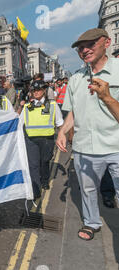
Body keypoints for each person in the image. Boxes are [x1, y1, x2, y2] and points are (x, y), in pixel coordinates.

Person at [56, 28, 119, 241]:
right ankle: (92, 222)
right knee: (88, 191)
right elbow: (73, 110)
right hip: (85, 148)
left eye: (91, 44)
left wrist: (108, 97)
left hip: (115, 146)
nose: (84, 50)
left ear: (107, 42)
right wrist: (63, 131)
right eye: (80, 47)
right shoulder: (76, 79)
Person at [22, 80, 64, 200]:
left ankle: (45, 180)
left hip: (47, 139)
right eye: (34, 90)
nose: (36, 92)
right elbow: (18, 123)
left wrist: (62, 136)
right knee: (33, 165)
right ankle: (36, 189)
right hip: (31, 140)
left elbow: (60, 122)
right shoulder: (27, 106)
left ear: (44, 91)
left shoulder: (52, 105)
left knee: (44, 161)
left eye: (39, 90)